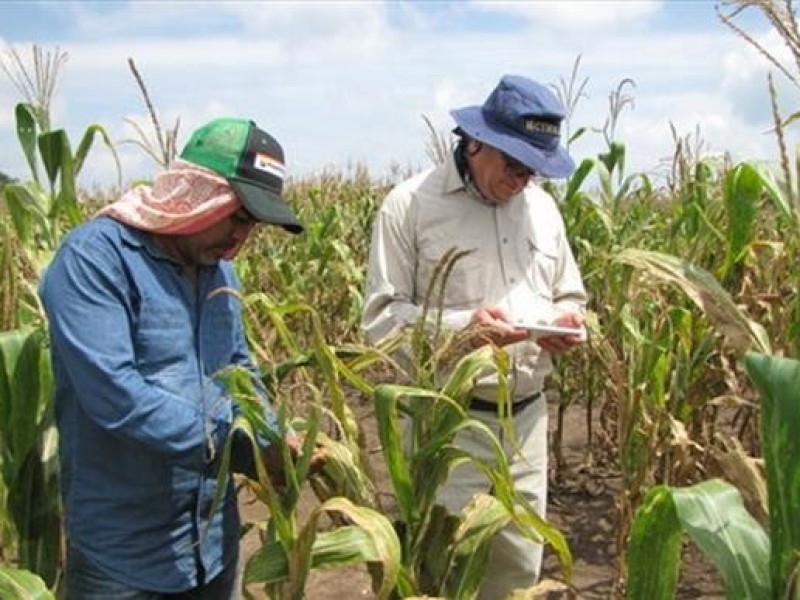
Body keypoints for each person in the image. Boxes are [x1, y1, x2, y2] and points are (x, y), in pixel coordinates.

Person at [40, 117, 306, 599]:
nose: (241, 238)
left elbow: (239, 367)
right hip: (124, 559)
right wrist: (233, 446)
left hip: (212, 547)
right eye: (238, 215)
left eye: (253, 224)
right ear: (194, 191)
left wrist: (271, 433)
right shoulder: (95, 260)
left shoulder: (219, 269)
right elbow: (118, 397)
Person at [362, 74, 588, 599]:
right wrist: (465, 330)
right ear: (476, 141)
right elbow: (379, 323)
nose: (522, 180)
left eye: (534, 169)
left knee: (517, 571)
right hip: (448, 426)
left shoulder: (544, 210)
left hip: (526, 423)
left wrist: (568, 322)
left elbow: (570, 296)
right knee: (441, 574)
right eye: (514, 164)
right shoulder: (409, 206)